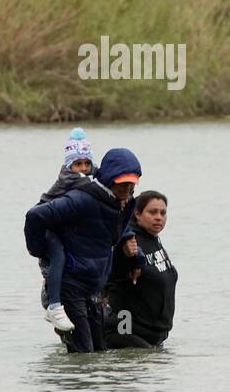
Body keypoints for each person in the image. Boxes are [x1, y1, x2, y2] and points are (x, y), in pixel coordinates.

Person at [24, 148, 145, 353]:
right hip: (69, 286)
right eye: (122, 183)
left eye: (131, 183)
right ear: (109, 179)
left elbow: (119, 230)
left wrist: (137, 260)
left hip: (94, 286)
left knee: (99, 352)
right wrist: (39, 249)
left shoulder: (124, 203)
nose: (127, 187)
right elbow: (35, 216)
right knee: (83, 354)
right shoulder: (82, 199)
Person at [35, 127, 96, 333]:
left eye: (87, 163)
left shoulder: (88, 175)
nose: (83, 168)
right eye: (78, 163)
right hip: (45, 226)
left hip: (62, 227)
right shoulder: (69, 178)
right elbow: (92, 184)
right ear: (70, 165)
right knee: (58, 257)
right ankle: (54, 305)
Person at [105, 191, 178, 349]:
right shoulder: (129, 243)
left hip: (153, 336)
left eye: (163, 213)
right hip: (126, 332)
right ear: (137, 214)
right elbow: (117, 263)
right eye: (152, 212)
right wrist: (124, 250)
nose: (159, 217)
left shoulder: (152, 238)